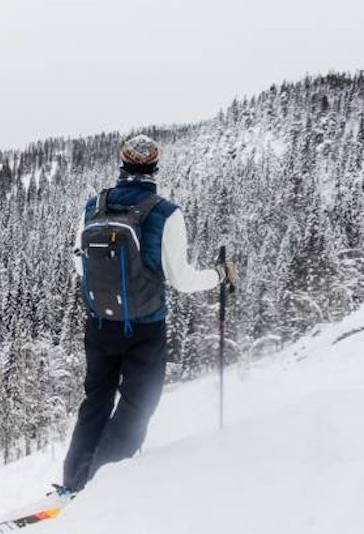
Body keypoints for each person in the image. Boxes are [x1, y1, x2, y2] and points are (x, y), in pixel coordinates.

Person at [57, 134, 236, 495]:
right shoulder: (165, 213)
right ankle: (101, 487)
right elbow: (181, 279)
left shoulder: (93, 207)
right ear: (155, 167)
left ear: (121, 164)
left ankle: (73, 481)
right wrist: (219, 275)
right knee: (137, 406)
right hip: (145, 327)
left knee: (96, 402)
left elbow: (80, 267)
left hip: (99, 324)